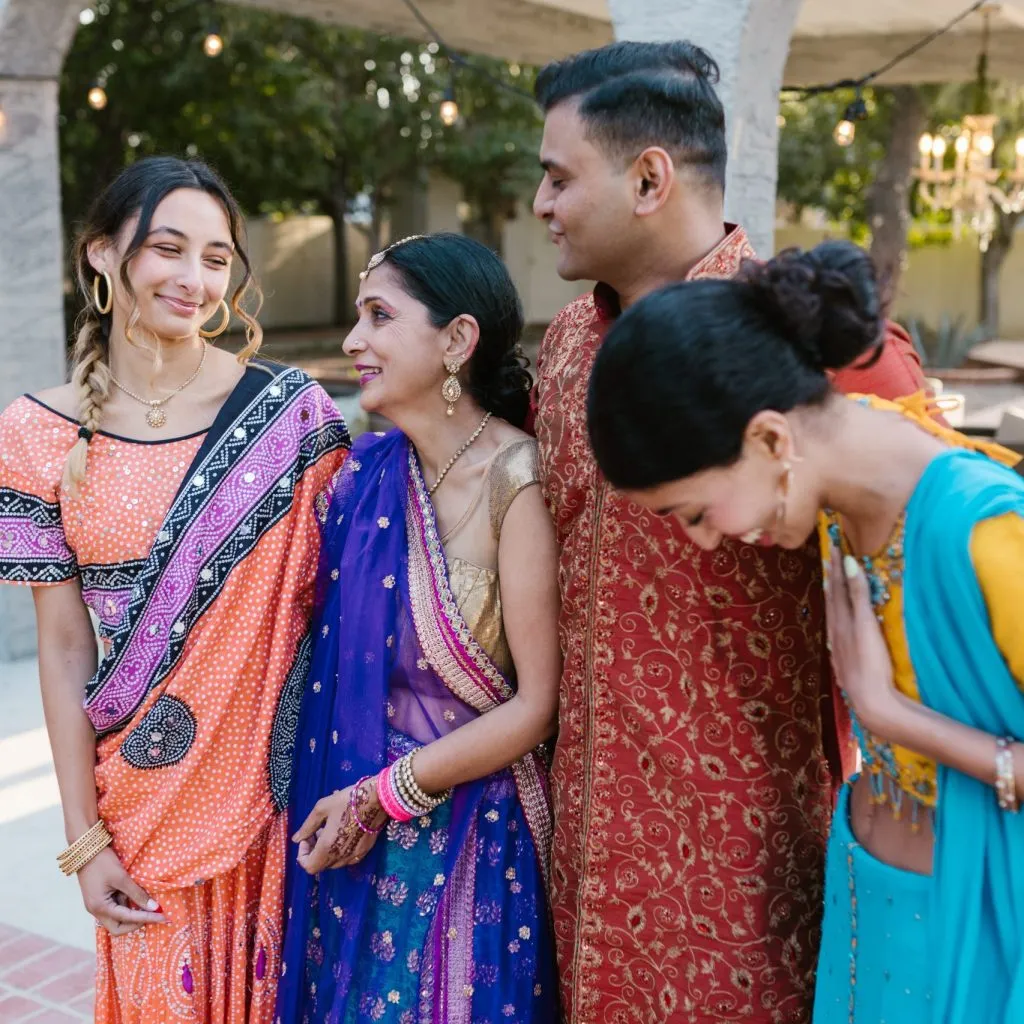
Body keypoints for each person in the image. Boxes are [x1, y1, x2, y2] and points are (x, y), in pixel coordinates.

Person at [530, 40, 933, 1023]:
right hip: (576, 866)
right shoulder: (562, 345)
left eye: (555, 176)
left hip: (747, 886)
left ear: (648, 177)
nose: (540, 203)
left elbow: (936, 618)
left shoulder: (819, 356)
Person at [585, 239, 1024, 1024]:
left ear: (770, 440)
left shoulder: (983, 529)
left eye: (695, 511)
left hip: (978, 934)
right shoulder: (839, 479)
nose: (707, 542)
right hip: (870, 917)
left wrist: (891, 717)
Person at [0, 157, 349, 1023]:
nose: (195, 280)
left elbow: (347, 599)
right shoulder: (35, 435)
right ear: (102, 257)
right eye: (168, 249)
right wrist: (84, 841)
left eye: (218, 257)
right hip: (142, 815)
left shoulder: (292, 414)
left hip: (290, 807)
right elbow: (64, 645)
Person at [276, 233, 562, 1024]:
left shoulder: (516, 480)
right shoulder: (365, 476)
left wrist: (388, 795)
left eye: (378, 316)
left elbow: (535, 706)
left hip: (472, 839)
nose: (352, 341)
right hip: (357, 832)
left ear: (457, 341)